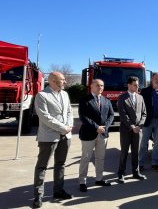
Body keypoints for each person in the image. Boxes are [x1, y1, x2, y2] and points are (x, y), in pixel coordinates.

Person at [32, 72, 73, 208]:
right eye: (63, 79)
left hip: (65, 135)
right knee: (42, 166)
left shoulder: (65, 94)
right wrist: (63, 127)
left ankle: (58, 191)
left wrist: (69, 125)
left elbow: (69, 112)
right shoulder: (42, 96)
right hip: (48, 136)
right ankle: (38, 195)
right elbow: (45, 117)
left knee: (60, 164)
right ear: (54, 81)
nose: (65, 81)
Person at [78, 79, 114, 192]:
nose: (100, 87)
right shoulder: (85, 100)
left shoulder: (106, 101)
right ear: (91, 86)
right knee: (85, 158)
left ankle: (99, 179)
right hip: (89, 133)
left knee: (100, 158)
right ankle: (82, 182)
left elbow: (111, 115)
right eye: (98, 85)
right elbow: (83, 117)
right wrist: (96, 127)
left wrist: (105, 127)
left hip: (103, 134)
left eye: (102, 86)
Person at [117, 76, 147, 183]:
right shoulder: (122, 98)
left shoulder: (140, 97)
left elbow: (144, 113)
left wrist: (140, 126)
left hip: (138, 130)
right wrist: (132, 126)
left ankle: (136, 172)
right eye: (135, 85)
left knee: (136, 152)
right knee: (124, 152)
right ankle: (121, 173)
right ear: (129, 85)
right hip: (126, 130)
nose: (137, 86)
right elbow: (123, 115)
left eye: (138, 85)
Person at [139, 72, 158, 172]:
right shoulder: (145, 91)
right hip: (147, 121)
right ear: (152, 80)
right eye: (156, 78)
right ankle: (140, 164)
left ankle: (154, 163)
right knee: (144, 143)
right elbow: (140, 106)